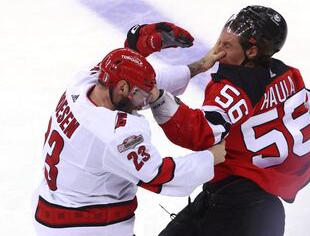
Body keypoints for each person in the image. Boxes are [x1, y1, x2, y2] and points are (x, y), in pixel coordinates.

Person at [126, 5, 310, 236]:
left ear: (251, 52)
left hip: (237, 212)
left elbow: (199, 133)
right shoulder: (288, 75)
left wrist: (158, 98)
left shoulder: (233, 88)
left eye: (227, 45)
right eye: (220, 39)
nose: (217, 48)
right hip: (261, 210)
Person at [32, 23, 227, 236]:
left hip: (53, 212)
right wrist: (211, 157)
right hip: (88, 228)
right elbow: (159, 175)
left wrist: (198, 66)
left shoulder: (84, 84)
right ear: (123, 88)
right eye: (140, 95)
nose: (144, 101)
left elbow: (127, 74)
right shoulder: (115, 135)